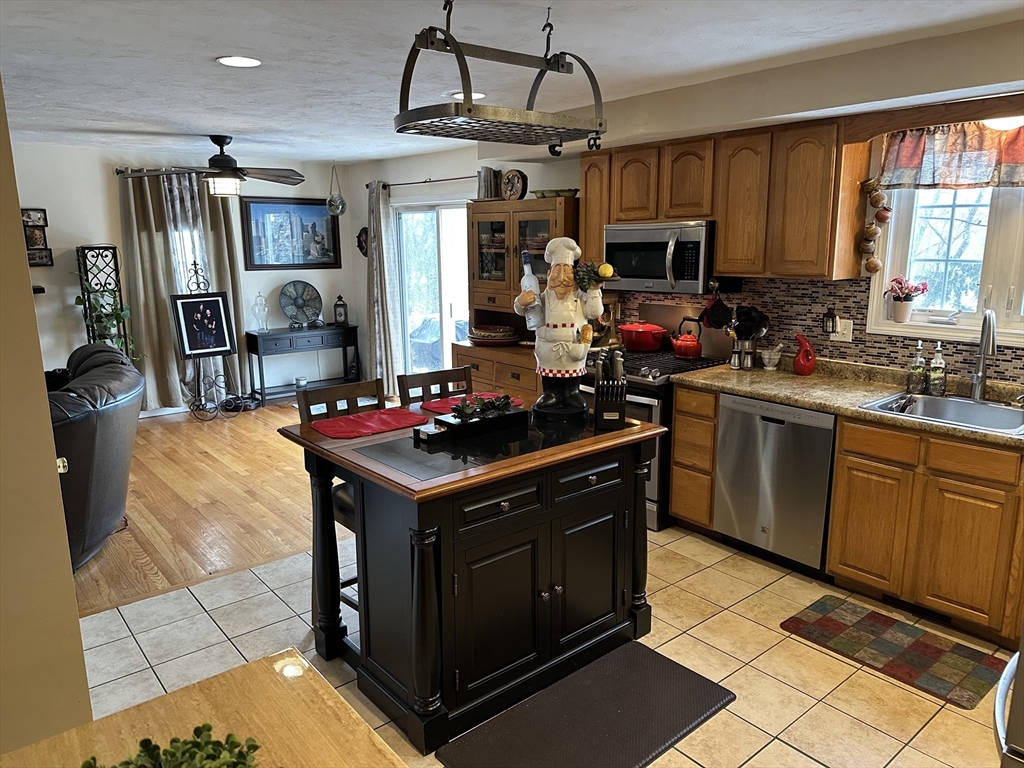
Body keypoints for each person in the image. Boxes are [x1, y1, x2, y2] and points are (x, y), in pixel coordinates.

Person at [514, 237, 603, 418]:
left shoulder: (581, 297)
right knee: (550, 377)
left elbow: (595, 312)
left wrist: (594, 290)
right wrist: (520, 302)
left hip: (574, 347)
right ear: (548, 275)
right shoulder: (541, 298)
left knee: (572, 376)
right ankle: (550, 393)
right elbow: (524, 311)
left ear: (576, 277)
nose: (561, 278)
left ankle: (572, 393)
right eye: (557, 271)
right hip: (548, 347)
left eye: (567, 272)